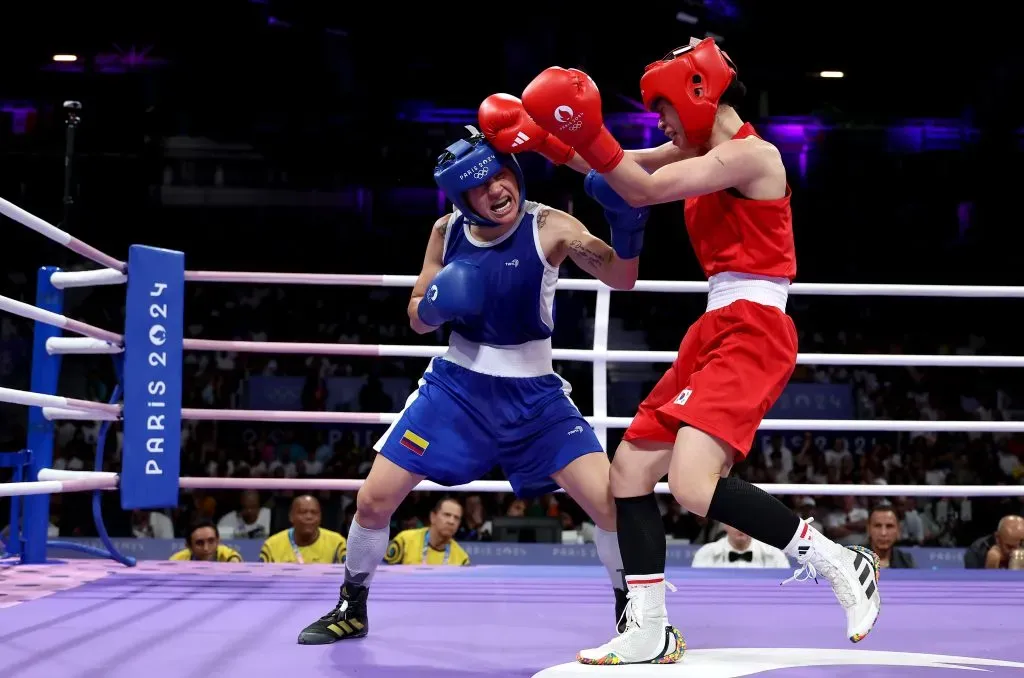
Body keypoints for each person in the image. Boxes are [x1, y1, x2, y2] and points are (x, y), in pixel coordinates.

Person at [519, 38, 882, 664]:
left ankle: (839, 559)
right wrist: (549, 139)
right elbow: (620, 166)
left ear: (697, 92)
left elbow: (637, 189)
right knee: (628, 473)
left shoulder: (753, 157)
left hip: (756, 327)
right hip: (713, 324)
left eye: (662, 107)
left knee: (691, 483)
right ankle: (648, 629)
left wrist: (581, 124)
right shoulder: (697, 149)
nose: (658, 120)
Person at [296, 116, 649, 645]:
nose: (496, 191)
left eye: (500, 175)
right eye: (479, 187)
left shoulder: (549, 225)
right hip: (455, 390)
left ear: (513, 170)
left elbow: (622, 277)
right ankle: (352, 605)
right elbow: (416, 314)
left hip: (534, 397)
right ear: (463, 199)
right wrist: (436, 304)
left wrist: (628, 228)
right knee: (373, 500)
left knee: (608, 505)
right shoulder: (445, 231)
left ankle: (633, 612)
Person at [259, 495, 346, 564]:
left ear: (320, 517)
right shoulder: (271, 545)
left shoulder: (337, 543)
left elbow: (352, 576)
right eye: (302, 512)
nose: (309, 517)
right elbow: (260, 578)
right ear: (291, 516)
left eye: (314, 512)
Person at [385, 497, 471, 566]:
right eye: (447, 515)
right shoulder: (405, 540)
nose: (451, 521)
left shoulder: (462, 559)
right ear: (433, 517)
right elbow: (382, 576)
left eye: (456, 518)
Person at [691, 524, 790, 569]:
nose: (741, 526)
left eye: (746, 520)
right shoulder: (706, 553)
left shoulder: (775, 555)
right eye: (735, 521)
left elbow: (786, 591)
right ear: (724, 524)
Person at [866, 504, 916, 569]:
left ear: (898, 530)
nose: (883, 533)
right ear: (868, 529)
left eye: (889, 526)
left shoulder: (906, 562)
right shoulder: (853, 561)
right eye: (877, 526)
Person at [169, 519, 242, 562]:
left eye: (211, 541)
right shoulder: (177, 561)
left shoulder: (230, 558)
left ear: (218, 541)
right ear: (188, 546)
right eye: (199, 543)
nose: (206, 548)